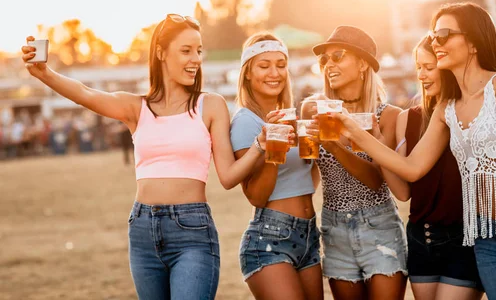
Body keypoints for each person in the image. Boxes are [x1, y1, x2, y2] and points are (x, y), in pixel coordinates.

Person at [21, 15, 273, 300]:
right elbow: (85, 93)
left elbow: (228, 177)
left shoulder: (210, 105)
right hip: (142, 230)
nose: (196, 59)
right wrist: (44, 73)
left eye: (199, 50)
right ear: (161, 53)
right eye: (186, 50)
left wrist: (259, 146)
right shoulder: (136, 107)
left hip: (192, 232)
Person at [331, 3, 496, 300]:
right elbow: (413, 168)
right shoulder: (447, 107)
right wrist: (353, 131)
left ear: (472, 42)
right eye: (433, 35)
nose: (435, 43)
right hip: (486, 236)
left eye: (443, 34)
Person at [304, 26, 408, 300]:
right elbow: (304, 168)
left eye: (338, 56)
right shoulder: (313, 109)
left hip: (380, 226)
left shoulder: (388, 116)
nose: (329, 65)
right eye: (324, 60)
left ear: (363, 64)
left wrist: (334, 146)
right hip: (334, 230)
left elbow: (376, 180)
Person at [230, 33, 323, 300]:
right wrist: (275, 146)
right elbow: (256, 196)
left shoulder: (292, 117)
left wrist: (314, 147)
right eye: (264, 65)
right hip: (269, 239)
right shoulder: (246, 122)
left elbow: (307, 180)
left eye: (281, 65)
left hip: (308, 236)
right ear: (247, 73)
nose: (275, 73)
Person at [396, 36, 483, 300]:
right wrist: (375, 144)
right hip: (421, 239)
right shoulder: (406, 119)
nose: (421, 74)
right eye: (418, 67)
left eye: (429, 67)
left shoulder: (469, 113)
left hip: (464, 238)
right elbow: (403, 192)